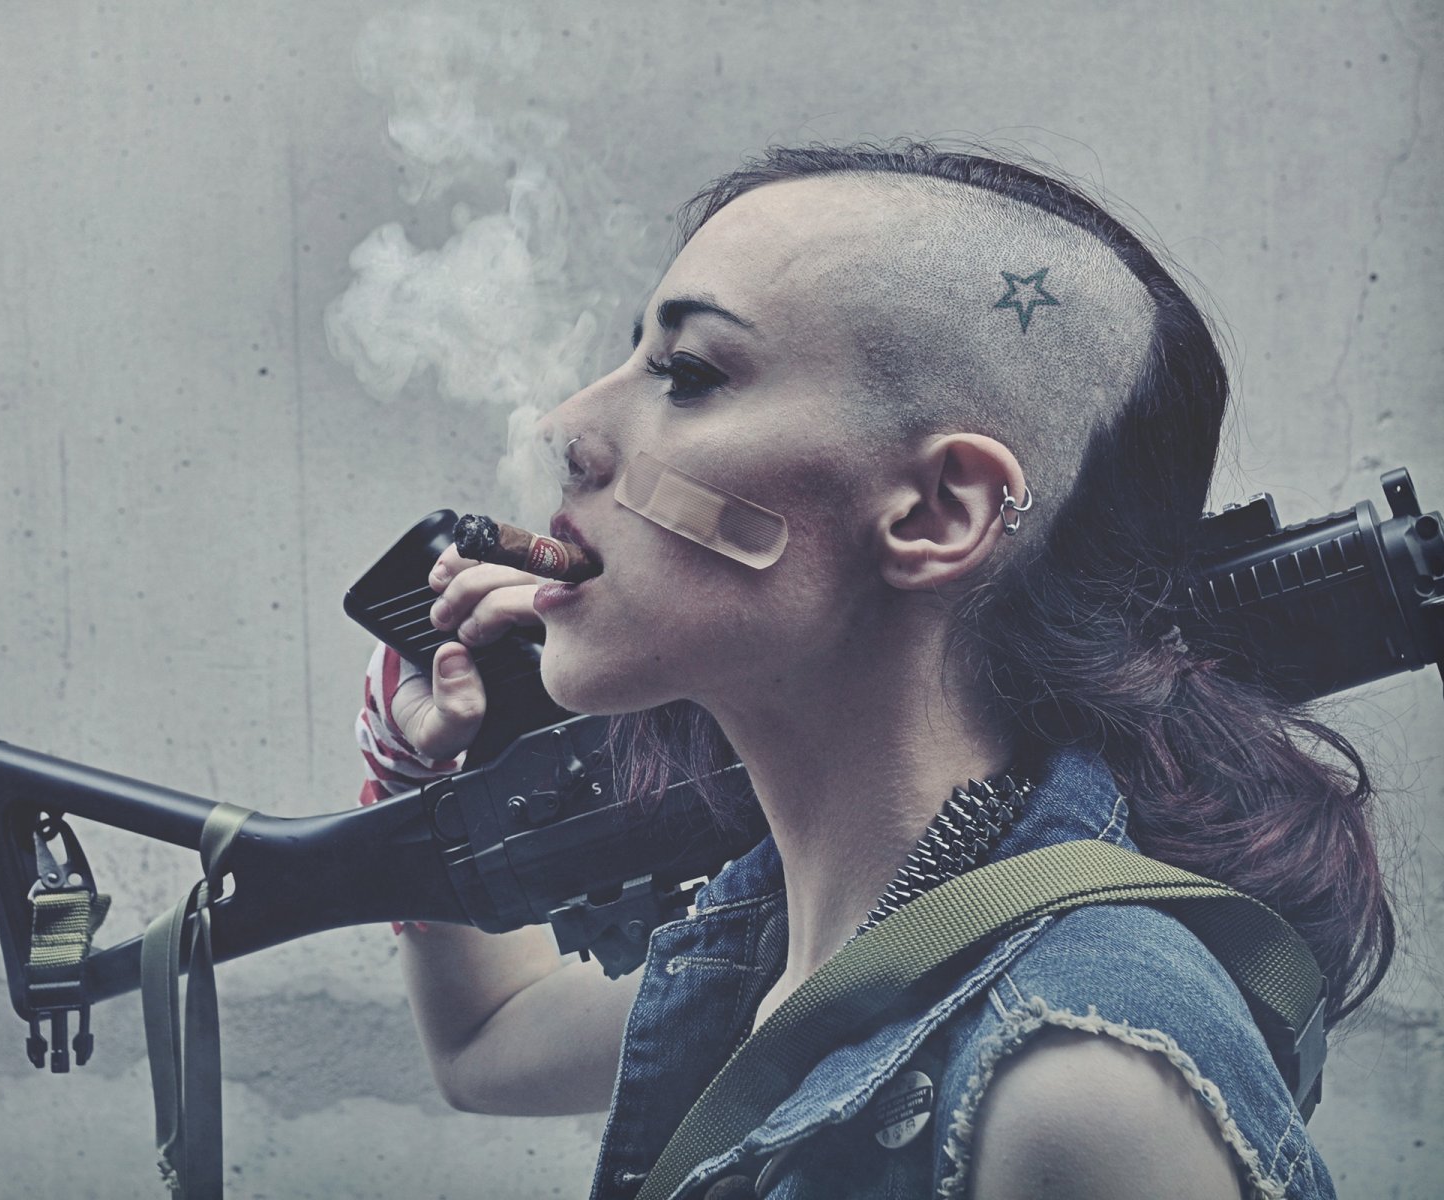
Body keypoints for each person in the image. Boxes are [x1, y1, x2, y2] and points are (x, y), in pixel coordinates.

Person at [352, 144, 1391, 1199]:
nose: (564, 431)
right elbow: (486, 1042)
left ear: (939, 512)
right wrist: (415, 768)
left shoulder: (1078, 1096)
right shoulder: (790, 948)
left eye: (690, 374)